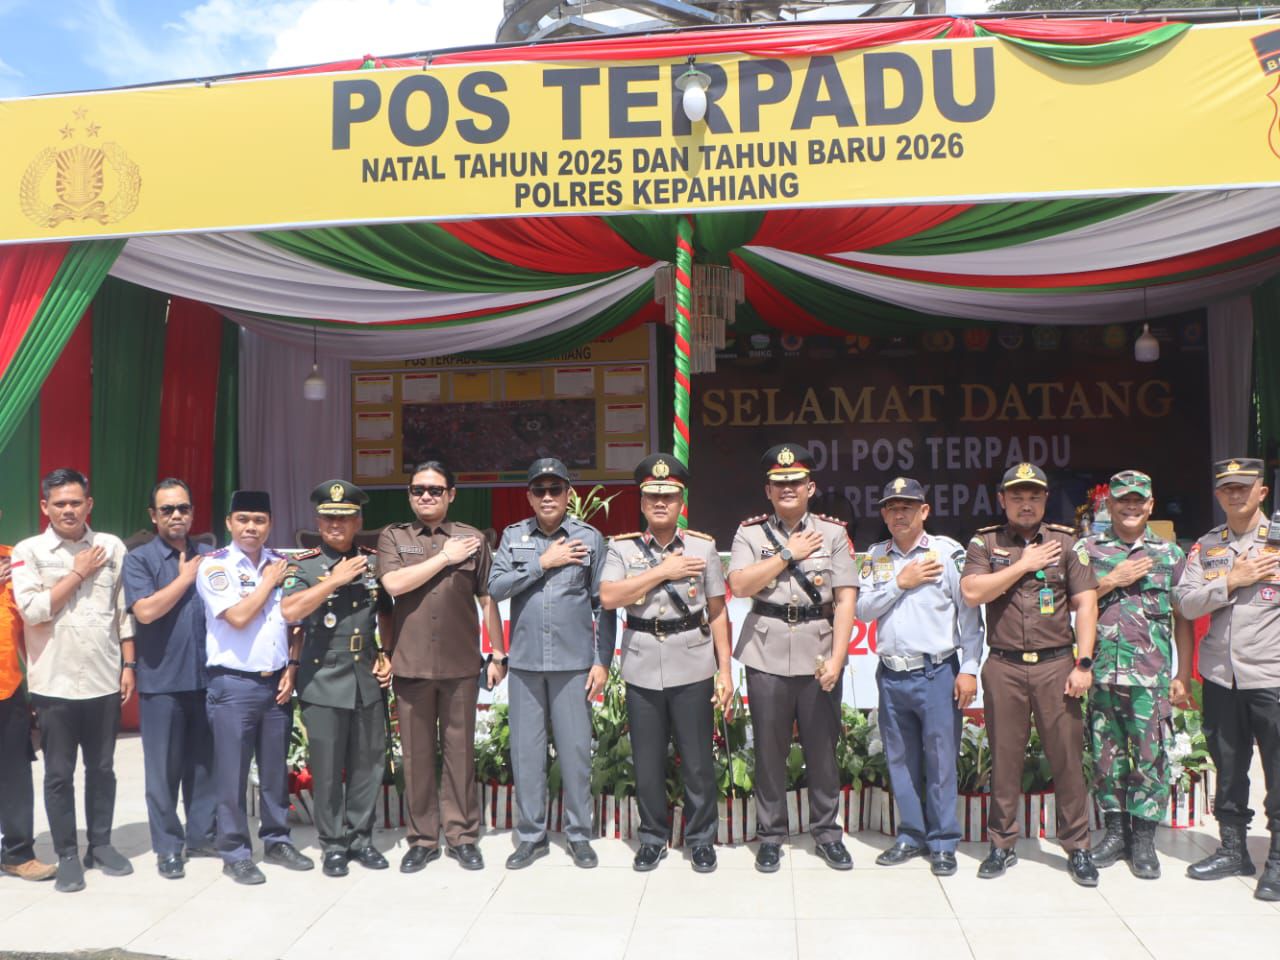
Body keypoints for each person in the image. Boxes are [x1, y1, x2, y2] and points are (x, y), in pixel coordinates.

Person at [960, 462, 1100, 887]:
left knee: (1067, 759)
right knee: (1004, 759)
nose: (1025, 504)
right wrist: (1023, 563)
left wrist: (1084, 662)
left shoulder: (1066, 542)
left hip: (1057, 665)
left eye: (1034, 496)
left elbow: (1087, 603)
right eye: (1017, 496)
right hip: (1003, 665)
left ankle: (1077, 847)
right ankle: (1002, 845)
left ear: (1044, 500)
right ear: (1001, 500)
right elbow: (972, 592)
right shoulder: (985, 543)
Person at [600, 454, 733, 873]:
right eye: (653, 496)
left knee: (697, 760)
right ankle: (653, 838)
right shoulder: (621, 547)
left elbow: (716, 611)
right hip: (641, 665)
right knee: (647, 760)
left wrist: (725, 669)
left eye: (669, 496)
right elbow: (609, 598)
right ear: (641, 503)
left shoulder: (703, 546)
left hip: (692, 662)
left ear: (681, 502)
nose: (661, 503)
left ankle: (701, 839)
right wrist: (664, 570)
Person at [727, 443, 855, 874]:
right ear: (768, 490)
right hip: (765, 650)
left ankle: (826, 833)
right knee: (768, 750)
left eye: (795, 482)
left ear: (811, 487)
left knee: (822, 750)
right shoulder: (750, 534)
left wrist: (838, 657)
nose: (788, 489)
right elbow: (741, 585)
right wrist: (787, 554)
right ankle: (770, 835)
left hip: (819, 649)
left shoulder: (834, 534)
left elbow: (844, 599)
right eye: (779, 483)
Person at [11, 468, 136, 893]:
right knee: (59, 774)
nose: (68, 509)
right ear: (44, 506)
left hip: (103, 680)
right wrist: (78, 573)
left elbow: (123, 611)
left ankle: (100, 845)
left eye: (76, 501)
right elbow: (32, 610)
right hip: (54, 684)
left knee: (102, 769)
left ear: (89, 504)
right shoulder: (29, 552)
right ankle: (67, 853)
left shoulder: (111, 546)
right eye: (59, 502)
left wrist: (129, 665)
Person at [377, 462, 505, 873]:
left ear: (451, 494)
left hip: (460, 664)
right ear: (410, 495)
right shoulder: (394, 536)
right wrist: (445, 558)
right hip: (411, 665)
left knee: (460, 753)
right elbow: (393, 585)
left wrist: (498, 653)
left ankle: (463, 836)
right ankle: (423, 839)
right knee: (416, 757)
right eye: (418, 491)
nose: (426, 497)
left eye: (435, 490)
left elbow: (488, 598)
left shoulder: (473, 539)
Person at [489, 458, 614, 870]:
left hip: (573, 662)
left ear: (567, 495)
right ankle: (531, 836)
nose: (547, 497)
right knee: (527, 753)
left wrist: (601, 661)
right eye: (539, 490)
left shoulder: (589, 539)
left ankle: (579, 834)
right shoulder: (514, 536)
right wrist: (542, 563)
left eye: (555, 489)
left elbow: (603, 604)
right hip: (525, 664)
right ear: (528, 496)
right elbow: (496, 586)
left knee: (576, 752)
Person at [856, 477, 984, 877]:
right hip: (892, 673)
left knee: (941, 759)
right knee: (900, 758)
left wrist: (968, 669)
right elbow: (862, 610)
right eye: (892, 507)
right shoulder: (877, 556)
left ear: (924, 511)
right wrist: (900, 582)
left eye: (907, 506)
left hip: (937, 672)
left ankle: (943, 842)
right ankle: (911, 835)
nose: (899, 513)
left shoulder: (947, 554)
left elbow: (970, 618)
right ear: (883, 513)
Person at [1077, 470, 1193, 880]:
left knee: (1150, 758)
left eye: (1137, 500)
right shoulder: (1087, 550)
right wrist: (1111, 580)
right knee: (1105, 758)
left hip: (1150, 676)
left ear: (1150, 505)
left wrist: (1183, 671)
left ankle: (1143, 839)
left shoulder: (1170, 555)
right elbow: (1069, 604)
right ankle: (1114, 834)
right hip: (1103, 674)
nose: (1129, 506)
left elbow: (1183, 616)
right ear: (1109, 505)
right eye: (1122, 499)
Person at [1175, 457, 1280, 900]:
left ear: (1262, 491)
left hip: (1271, 674)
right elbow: (1185, 603)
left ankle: (1276, 861)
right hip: (1221, 676)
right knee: (1228, 766)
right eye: (1227, 489)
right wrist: (1231, 581)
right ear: (1218, 495)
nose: (1235, 495)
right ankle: (1234, 848)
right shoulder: (1207, 546)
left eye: (1244, 487)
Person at [197, 490, 313, 885]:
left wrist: (292, 669)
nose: (251, 527)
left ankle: (277, 839)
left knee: (275, 771)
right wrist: (266, 583)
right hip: (233, 685)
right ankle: (235, 851)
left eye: (259, 520)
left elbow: (294, 622)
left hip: (276, 682)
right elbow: (241, 616)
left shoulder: (282, 564)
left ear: (270, 525)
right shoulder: (216, 567)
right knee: (232, 774)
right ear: (229, 523)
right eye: (243, 519)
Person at [281, 480, 393, 878]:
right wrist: (334, 580)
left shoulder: (373, 562)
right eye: (329, 518)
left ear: (358, 521)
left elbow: (387, 614)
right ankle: (332, 844)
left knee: (367, 763)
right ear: (318, 519)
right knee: (327, 768)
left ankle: (361, 839)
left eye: (344, 519)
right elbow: (290, 609)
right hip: (323, 675)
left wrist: (386, 654)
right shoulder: (304, 565)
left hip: (364, 673)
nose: (335, 526)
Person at [121, 478, 218, 879]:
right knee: (162, 770)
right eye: (167, 510)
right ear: (153, 516)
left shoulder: (211, 556)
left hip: (208, 678)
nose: (176, 516)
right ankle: (167, 846)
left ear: (193, 513)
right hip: (162, 680)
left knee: (205, 765)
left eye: (183, 508)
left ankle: (201, 835)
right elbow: (144, 612)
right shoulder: (140, 559)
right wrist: (184, 578)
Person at [0, 508, 56, 882]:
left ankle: (18, 852)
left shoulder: (13, 558)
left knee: (15, 772)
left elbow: (33, 616)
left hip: (8, 685)